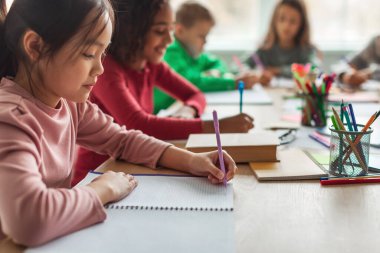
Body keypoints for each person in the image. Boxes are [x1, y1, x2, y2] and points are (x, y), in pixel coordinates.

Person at [0, 0, 237, 246]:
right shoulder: (10, 119)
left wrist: (191, 160)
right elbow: (28, 222)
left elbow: (122, 140)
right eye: (89, 54)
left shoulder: (70, 104)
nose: (100, 68)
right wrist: (103, 190)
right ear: (35, 46)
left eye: (103, 54)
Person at [73, 0, 253, 185]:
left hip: (131, 170)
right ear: (131, 31)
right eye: (160, 31)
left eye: (171, 29)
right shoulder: (107, 70)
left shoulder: (152, 65)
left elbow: (195, 95)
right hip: (95, 176)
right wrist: (216, 126)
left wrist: (189, 111)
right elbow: (138, 124)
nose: (170, 40)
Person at [154, 1, 258, 113]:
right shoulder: (171, 51)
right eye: (201, 36)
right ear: (180, 31)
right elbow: (191, 83)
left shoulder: (194, 53)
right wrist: (233, 83)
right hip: (160, 115)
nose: (205, 41)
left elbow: (218, 63)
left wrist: (214, 72)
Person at [246, 0, 319, 85]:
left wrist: (278, 71)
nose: (286, 25)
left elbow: (314, 72)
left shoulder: (307, 50)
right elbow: (237, 67)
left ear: (301, 25)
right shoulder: (264, 49)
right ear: (274, 21)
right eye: (282, 19)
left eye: (293, 21)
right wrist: (256, 75)